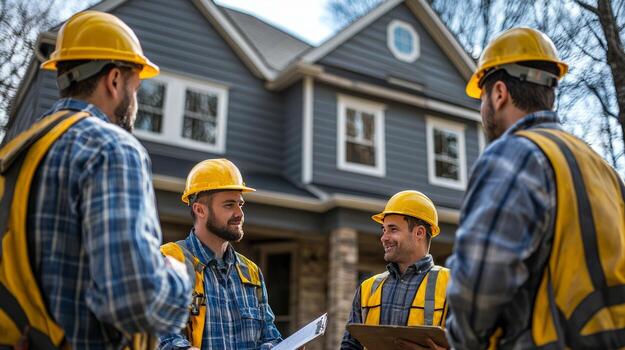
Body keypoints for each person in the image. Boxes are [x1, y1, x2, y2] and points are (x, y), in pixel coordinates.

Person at [0, 10, 192, 349]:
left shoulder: (14, 152)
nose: (136, 100)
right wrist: (178, 273)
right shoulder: (110, 148)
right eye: (137, 86)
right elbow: (137, 302)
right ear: (115, 79)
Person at [446, 27, 625, 348]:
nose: (482, 108)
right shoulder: (604, 169)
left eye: (482, 98)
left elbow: (478, 289)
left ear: (499, 93)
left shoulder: (514, 155)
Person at [158, 158, 282, 350]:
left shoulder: (251, 273)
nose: (239, 213)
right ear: (200, 209)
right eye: (229, 205)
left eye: (241, 204)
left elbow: (270, 335)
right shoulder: (171, 261)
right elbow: (163, 336)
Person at [341, 190, 450, 350]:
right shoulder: (368, 289)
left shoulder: (452, 286)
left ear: (419, 233)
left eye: (393, 229)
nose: (384, 238)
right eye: (383, 230)